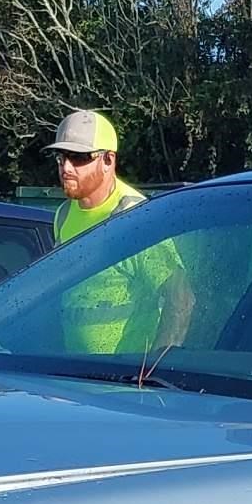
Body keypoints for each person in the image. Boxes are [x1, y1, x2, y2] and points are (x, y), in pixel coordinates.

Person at [43, 109, 191, 357]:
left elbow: (181, 299)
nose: (67, 167)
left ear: (108, 160)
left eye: (79, 157)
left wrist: (153, 370)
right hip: (71, 376)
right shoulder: (64, 214)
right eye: (61, 157)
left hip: (124, 380)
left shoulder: (136, 218)